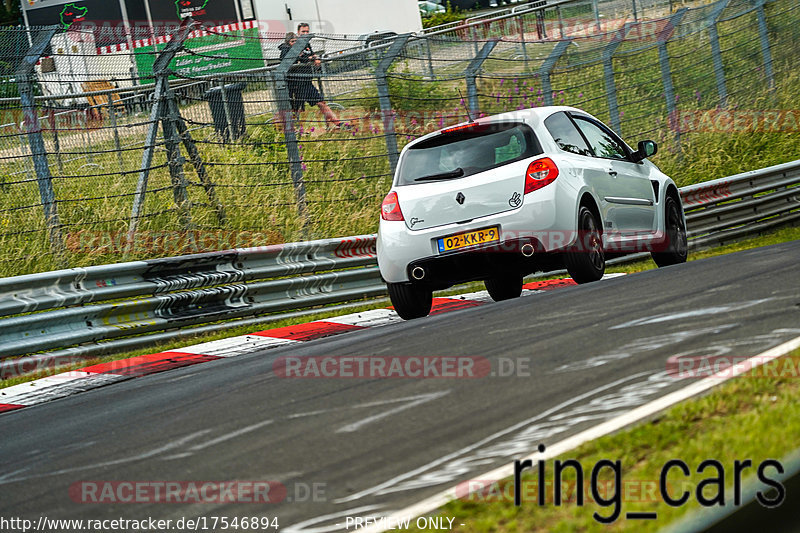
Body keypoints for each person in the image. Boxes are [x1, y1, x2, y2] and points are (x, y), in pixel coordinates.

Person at [277, 24, 344, 130]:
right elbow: (289, 61)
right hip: (294, 84)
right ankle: (291, 131)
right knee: (296, 110)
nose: (305, 34)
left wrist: (314, 58)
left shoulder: (306, 45)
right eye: (303, 32)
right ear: (298, 33)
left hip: (306, 82)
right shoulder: (286, 49)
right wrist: (305, 58)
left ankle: (339, 124)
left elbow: (310, 56)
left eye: (307, 32)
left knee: (321, 102)